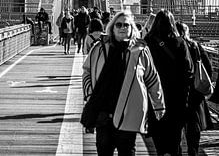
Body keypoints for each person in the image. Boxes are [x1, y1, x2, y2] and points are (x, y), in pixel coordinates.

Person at [82, 11, 165, 156]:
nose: (122, 28)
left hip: (129, 114)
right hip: (103, 113)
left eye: (126, 25)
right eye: (118, 24)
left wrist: (159, 106)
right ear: (112, 28)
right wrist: (89, 94)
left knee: (127, 152)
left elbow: (152, 78)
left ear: (132, 28)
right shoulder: (99, 48)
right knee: (103, 152)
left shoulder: (141, 51)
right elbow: (87, 72)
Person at [144, 9, 194, 156]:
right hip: (176, 99)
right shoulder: (180, 42)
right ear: (172, 23)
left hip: (154, 98)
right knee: (175, 140)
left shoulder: (148, 42)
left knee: (159, 139)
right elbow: (189, 71)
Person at [176, 21, 213, 156]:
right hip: (195, 91)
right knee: (193, 124)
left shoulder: (172, 46)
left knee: (177, 124)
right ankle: (193, 150)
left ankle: (178, 150)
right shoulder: (195, 46)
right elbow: (208, 67)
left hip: (177, 91)